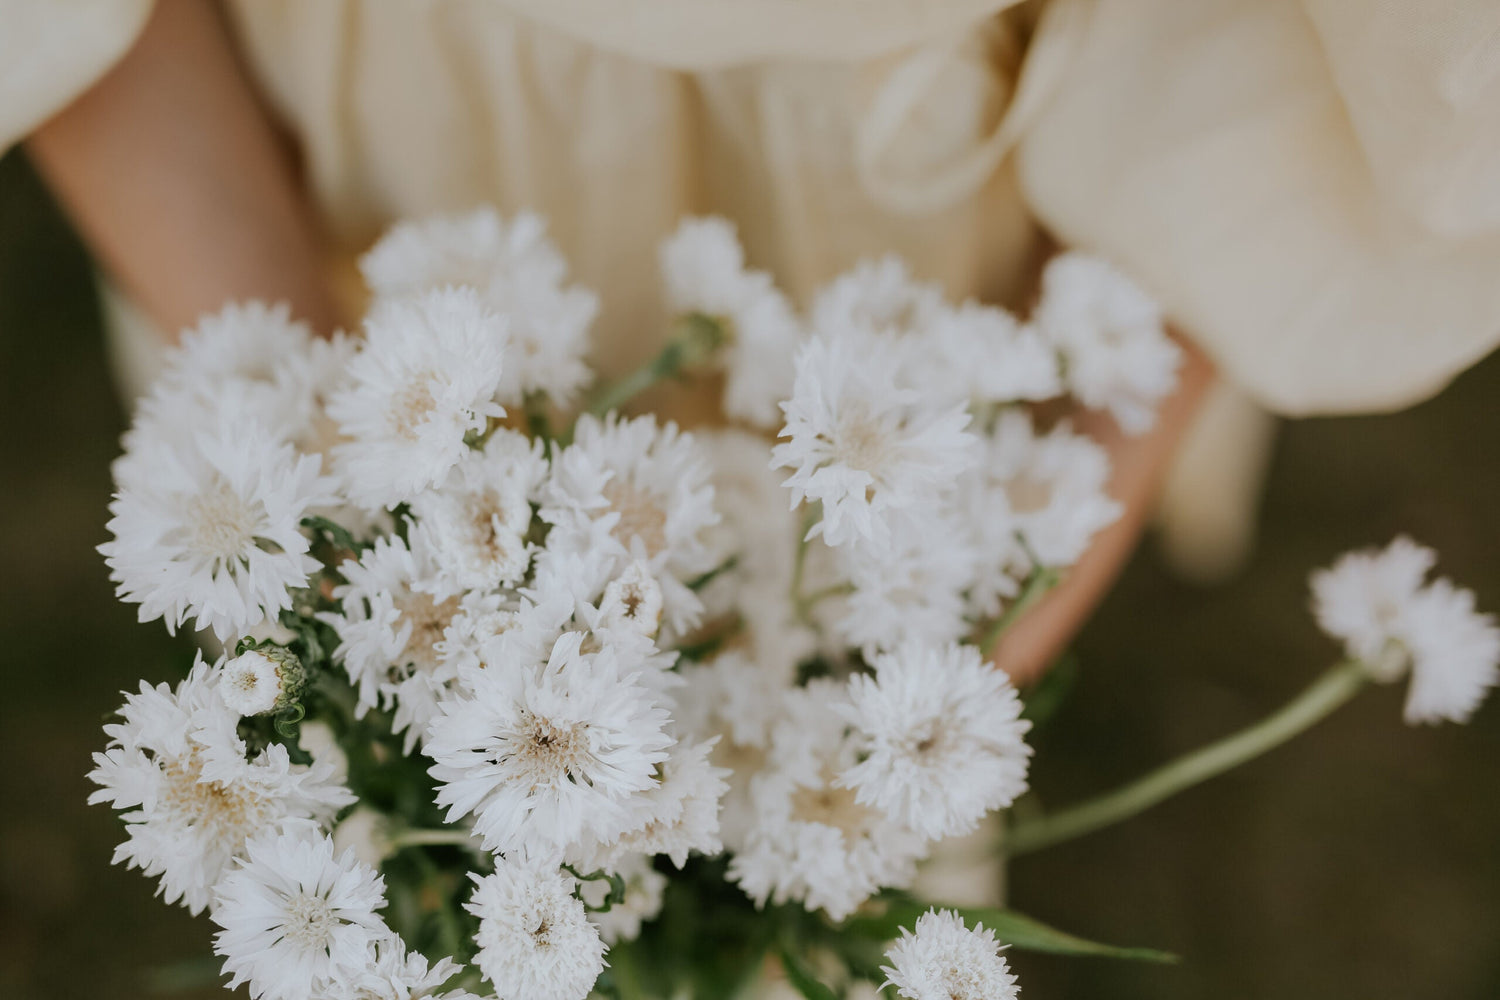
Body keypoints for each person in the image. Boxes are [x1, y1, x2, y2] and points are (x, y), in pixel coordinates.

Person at [6, 0, 1499, 682]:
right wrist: (305, 406)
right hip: (358, 158)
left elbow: (1302, 53)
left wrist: (1009, 551)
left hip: (924, 230)